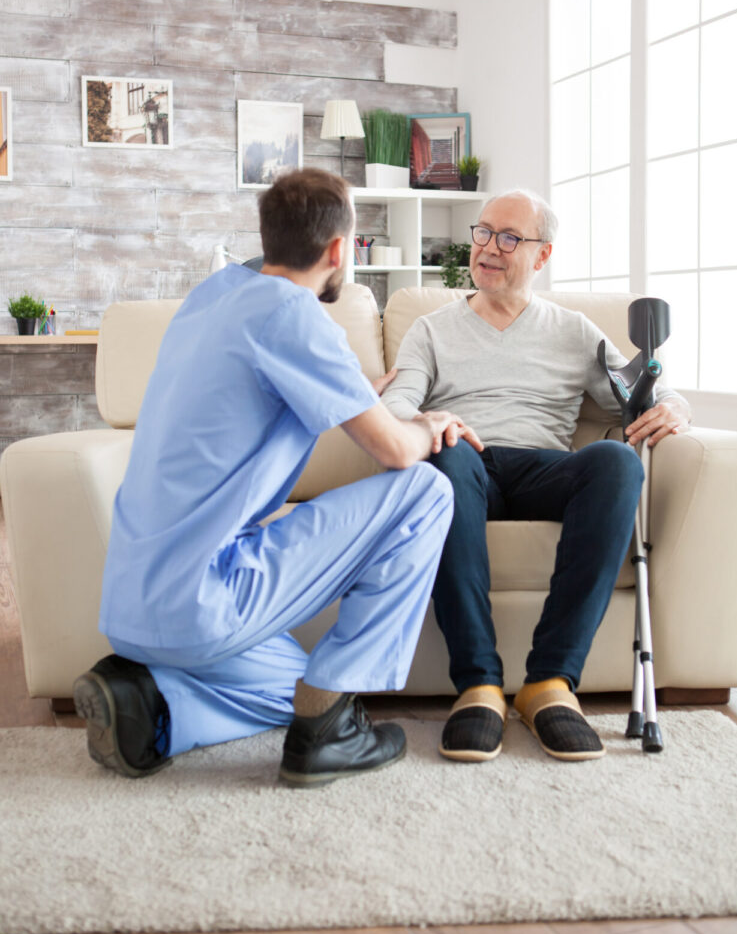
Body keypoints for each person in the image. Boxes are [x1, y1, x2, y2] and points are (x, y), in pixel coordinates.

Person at [74, 168, 482, 787]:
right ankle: (330, 735)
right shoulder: (294, 316)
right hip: (203, 599)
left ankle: (151, 701)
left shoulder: (210, 298)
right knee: (426, 491)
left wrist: (359, 394)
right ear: (340, 249)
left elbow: (257, 391)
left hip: (131, 603)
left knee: (294, 687)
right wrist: (432, 425)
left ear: (268, 237)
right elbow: (399, 452)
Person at [381, 188, 691, 764]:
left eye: (509, 238)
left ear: (542, 256)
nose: (488, 249)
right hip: (466, 460)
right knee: (446, 456)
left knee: (617, 460)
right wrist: (424, 418)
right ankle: (477, 685)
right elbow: (397, 404)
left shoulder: (573, 330)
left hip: (545, 468)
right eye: (482, 233)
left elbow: (640, 389)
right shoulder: (430, 329)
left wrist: (674, 407)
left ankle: (549, 683)